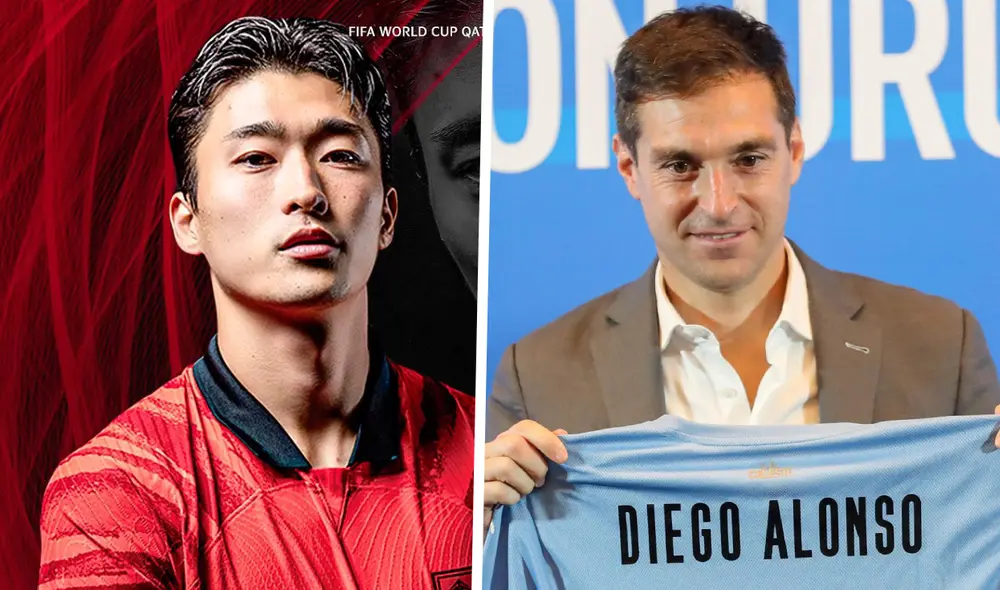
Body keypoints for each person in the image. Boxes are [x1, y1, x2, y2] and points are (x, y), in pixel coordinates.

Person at [483, 6, 1000, 535]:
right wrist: (477, 536)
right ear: (629, 169)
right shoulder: (538, 375)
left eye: (749, 158)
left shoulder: (942, 347)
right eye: (680, 166)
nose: (719, 203)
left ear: (794, 151)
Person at [38, 17, 473, 589]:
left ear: (387, 216)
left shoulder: (486, 450)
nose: (306, 192)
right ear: (187, 222)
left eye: (340, 155)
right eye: (256, 158)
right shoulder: (119, 490)